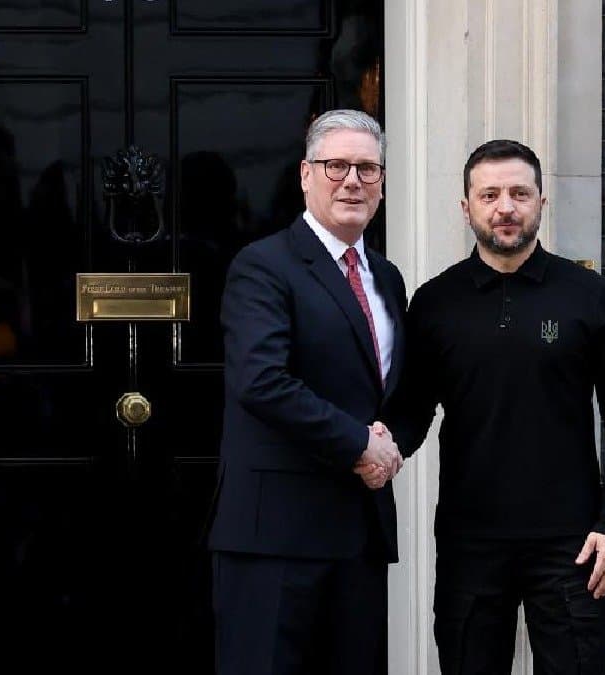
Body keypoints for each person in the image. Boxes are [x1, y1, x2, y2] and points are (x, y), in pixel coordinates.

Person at [372, 139, 605, 674]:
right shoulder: (434, 302)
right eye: (489, 194)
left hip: (574, 544)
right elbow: (413, 408)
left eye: (520, 193)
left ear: (542, 202)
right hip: (470, 541)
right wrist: (374, 449)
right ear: (466, 206)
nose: (505, 206)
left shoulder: (587, 294)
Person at [208, 109, 407, 675]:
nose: (352, 181)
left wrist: (391, 446)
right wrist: (358, 446)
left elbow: (390, 393)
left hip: (358, 534)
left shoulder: (386, 277)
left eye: (367, 169)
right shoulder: (263, 266)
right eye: (336, 165)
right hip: (275, 539)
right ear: (304, 174)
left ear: (382, 183)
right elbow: (261, 381)